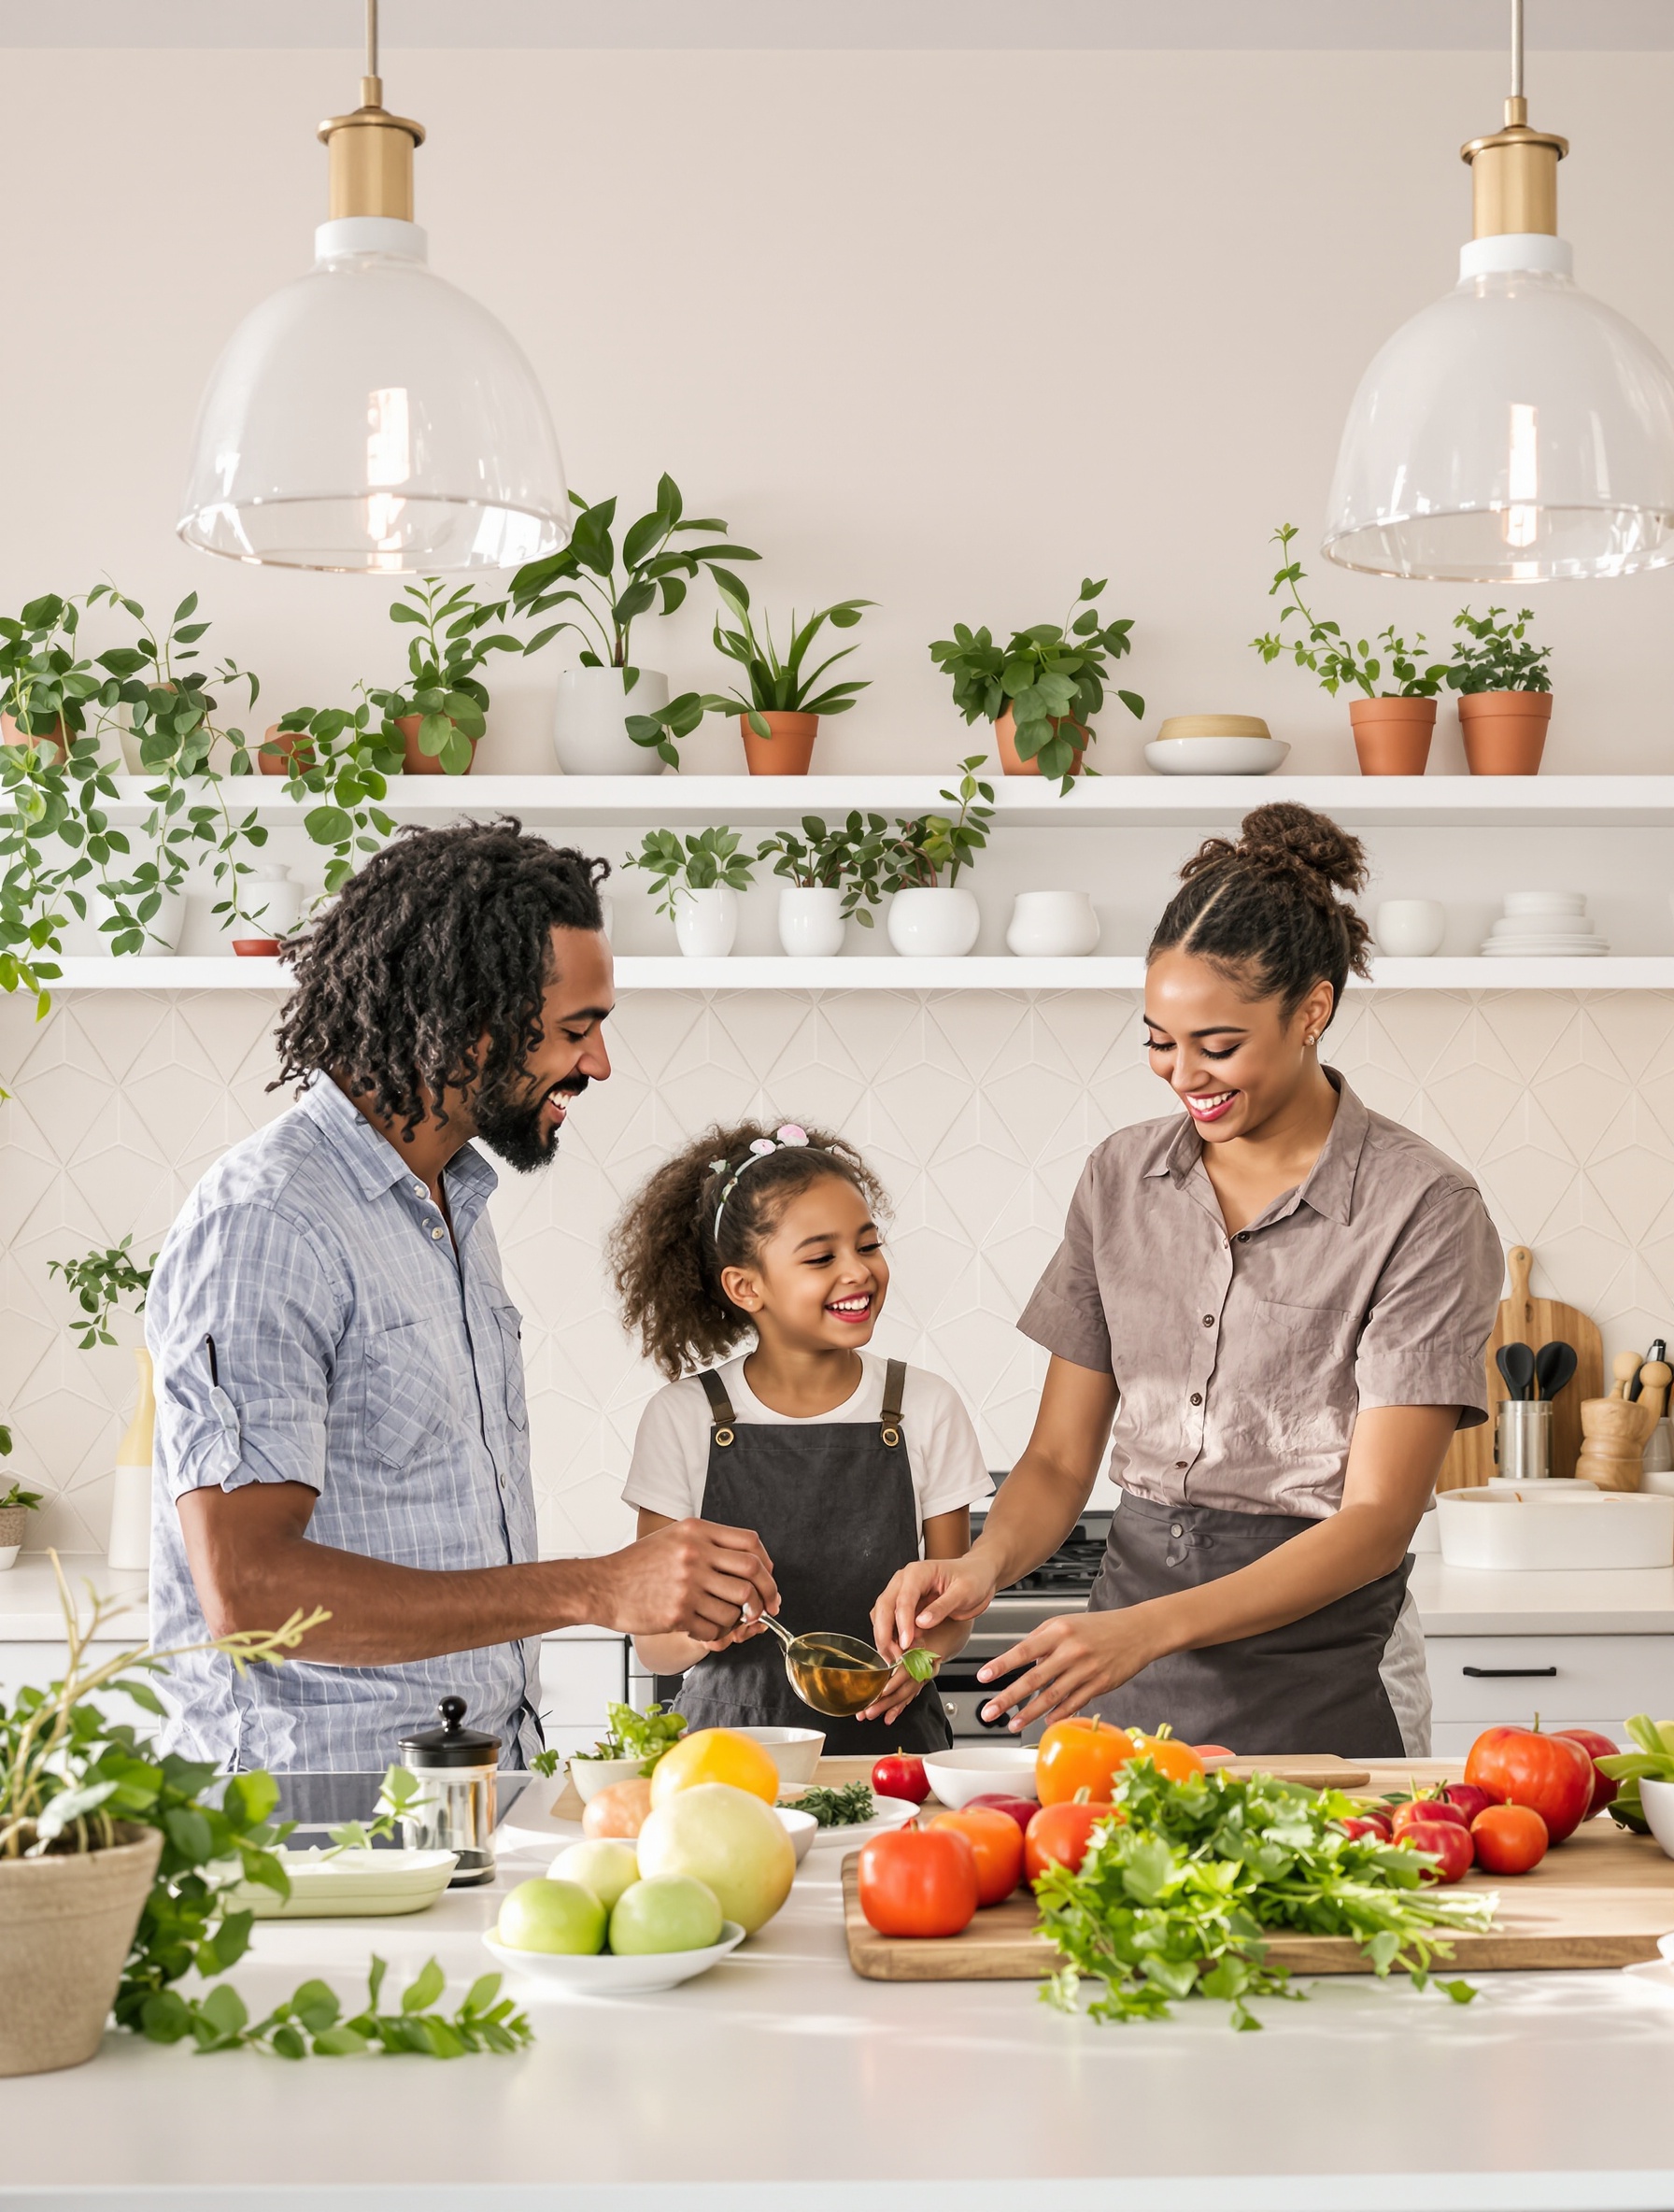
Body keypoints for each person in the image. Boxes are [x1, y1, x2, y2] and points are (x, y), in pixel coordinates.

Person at [872, 803, 1502, 1758]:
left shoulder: (1422, 1206)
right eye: (1158, 1040)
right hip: (1116, 1662)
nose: (1182, 1075)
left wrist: (1147, 1628)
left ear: (1311, 1012)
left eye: (1217, 1044)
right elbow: (1053, 1460)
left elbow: (1375, 1522)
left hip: (1320, 1663)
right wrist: (980, 1566)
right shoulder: (1119, 1178)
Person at [148, 820, 777, 1772]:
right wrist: (594, 1589)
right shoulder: (269, 1223)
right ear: (463, 1019)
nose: (598, 1063)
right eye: (576, 1029)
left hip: (464, 1786)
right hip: (308, 1817)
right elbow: (251, 1593)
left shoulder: (450, 1204)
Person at [611, 1119, 992, 1754]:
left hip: (893, 1754)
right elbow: (655, 1647)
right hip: (731, 1763)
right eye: (821, 1257)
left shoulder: (925, 1406)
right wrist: (707, 1632)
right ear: (745, 1286)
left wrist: (919, 1661)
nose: (858, 1272)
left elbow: (952, 1615)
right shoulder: (684, 1417)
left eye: (867, 1246)